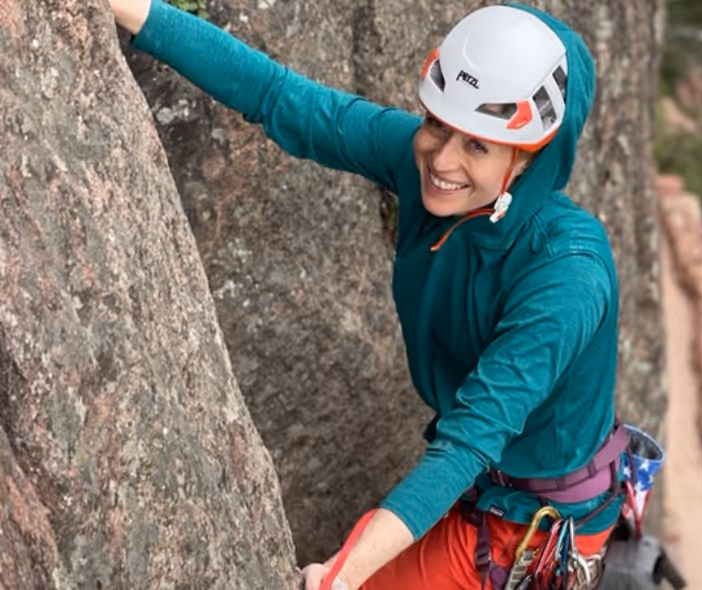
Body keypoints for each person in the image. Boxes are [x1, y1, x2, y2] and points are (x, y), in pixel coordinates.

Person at [108, 1, 628, 588]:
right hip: (484, 482)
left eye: (478, 146)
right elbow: (284, 100)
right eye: (438, 124)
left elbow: (470, 440)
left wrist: (342, 575)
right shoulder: (424, 162)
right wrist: (134, 10)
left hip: (522, 527)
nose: (443, 160)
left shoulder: (566, 274)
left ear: (530, 156)